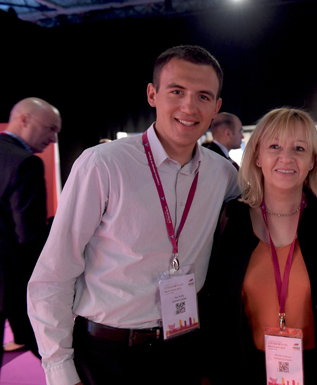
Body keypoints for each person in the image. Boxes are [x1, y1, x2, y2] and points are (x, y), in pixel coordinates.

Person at [27, 45, 239, 385]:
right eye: (177, 91)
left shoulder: (222, 173)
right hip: (108, 354)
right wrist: (59, 369)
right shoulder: (103, 164)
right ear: (152, 94)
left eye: (202, 96)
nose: (189, 106)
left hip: (184, 348)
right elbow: (54, 273)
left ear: (216, 108)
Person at [203, 108, 317, 384]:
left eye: (299, 148)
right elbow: (218, 308)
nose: (286, 157)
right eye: (274, 146)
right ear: (257, 156)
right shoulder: (231, 220)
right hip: (247, 368)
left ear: (313, 160)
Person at [0, 98, 60, 364]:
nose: (54, 140)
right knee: (51, 352)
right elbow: (30, 236)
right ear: (24, 120)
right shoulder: (26, 163)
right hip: (13, 280)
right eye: (50, 129)